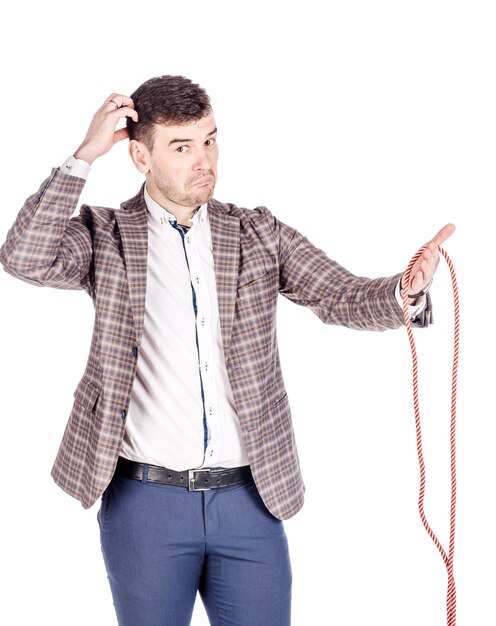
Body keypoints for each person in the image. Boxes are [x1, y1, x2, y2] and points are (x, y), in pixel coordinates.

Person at [0, 75, 454, 626]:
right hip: (145, 503)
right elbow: (24, 256)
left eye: (210, 140)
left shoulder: (257, 233)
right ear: (141, 157)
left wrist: (404, 290)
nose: (204, 161)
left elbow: (339, 294)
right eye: (182, 147)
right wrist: (84, 156)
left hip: (250, 499)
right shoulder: (107, 235)